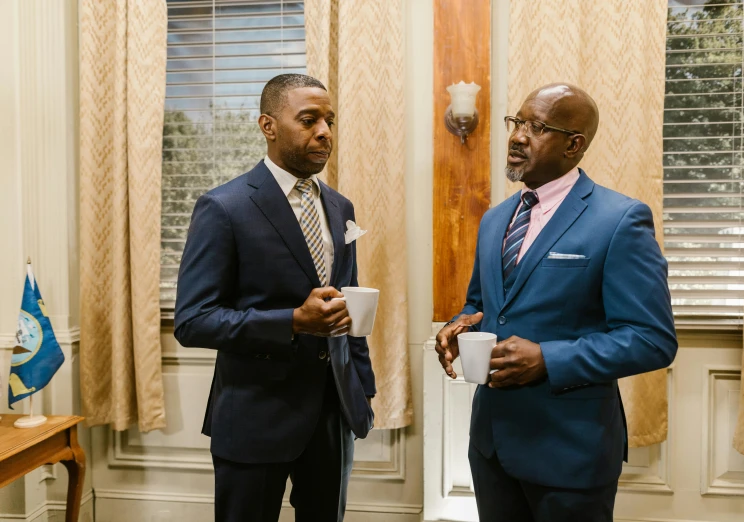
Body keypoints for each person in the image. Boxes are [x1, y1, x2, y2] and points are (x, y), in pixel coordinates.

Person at [434, 83, 677, 522]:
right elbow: (483, 306)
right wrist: (459, 327)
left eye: (538, 127)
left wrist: (548, 358)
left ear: (574, 145)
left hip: (570, 453)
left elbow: (652, 339)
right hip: (491, 448)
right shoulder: (494, 220)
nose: (518, 136)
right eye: (518, 122)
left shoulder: (620, 219)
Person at [174, 74, 375, 522]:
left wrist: (362, 392)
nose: (324, 131)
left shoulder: (341, 208)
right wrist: (293, 321)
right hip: (254, 415)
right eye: (308, 120)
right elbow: (192, 321)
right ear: (268, 125)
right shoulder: (224, 207)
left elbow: (349, 306)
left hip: (332, 415)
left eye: (329, 120)